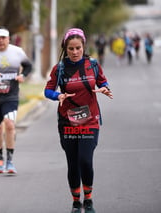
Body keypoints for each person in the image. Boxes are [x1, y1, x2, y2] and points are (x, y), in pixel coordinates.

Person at [44, 28, 113, 213]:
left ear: (84, 47)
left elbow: (102, 82)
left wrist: (105, 89)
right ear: (65, 49)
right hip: (67, 121)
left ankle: (88, 200)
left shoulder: (93, 64)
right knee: (73, 162)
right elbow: (47, 90)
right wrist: (57, 96)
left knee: (85, 160)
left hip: (90, 119)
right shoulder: (59, 68)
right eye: (71, 49)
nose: (75, 52)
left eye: (78, 48)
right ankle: (76, 201)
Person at [0, 28, 32, 174]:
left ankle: (10, 161)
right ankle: (0, 158)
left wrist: (23, 75)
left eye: (4, 38)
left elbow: (28, 66)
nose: (1, 41)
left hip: (11, 95)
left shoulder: (17, 52)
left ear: (9, 39)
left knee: (9, 125)